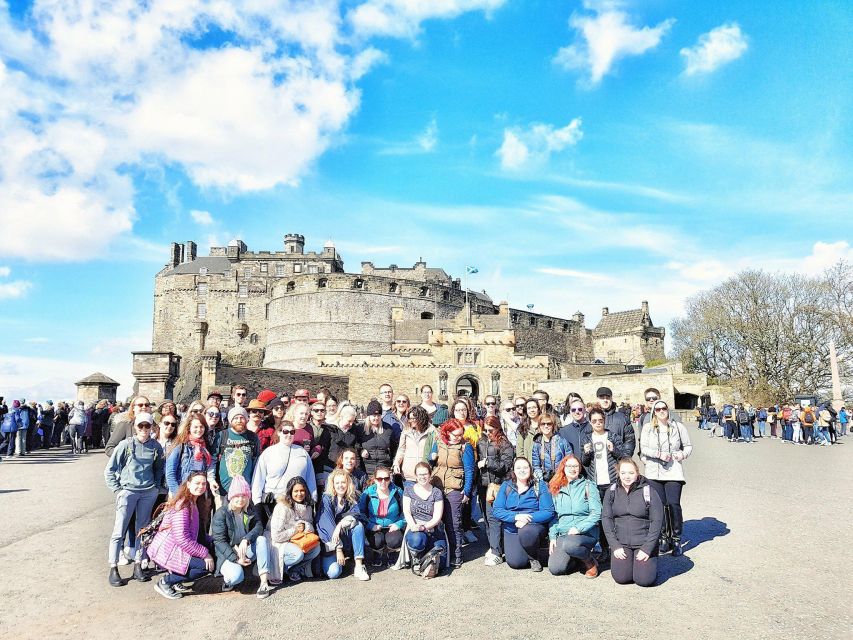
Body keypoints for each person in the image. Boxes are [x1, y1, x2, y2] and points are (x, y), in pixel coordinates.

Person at [104, 412, 165, 586]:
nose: (144, 429)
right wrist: (118, 490)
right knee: (119, 530)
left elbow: (159, 469)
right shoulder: (125, 444)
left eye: (148, 426)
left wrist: (155, 487)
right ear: (136, 427)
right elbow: (110, 469)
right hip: (128, 491)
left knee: (142, 530)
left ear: (152, 427)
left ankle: (138, 564)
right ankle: (113, 566)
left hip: (147, 492)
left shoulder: (155, 446)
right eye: (141, 426)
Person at [149, 471, 216, 599]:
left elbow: (198, 533)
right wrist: (204, 553)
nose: (201, 486)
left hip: (180, 547)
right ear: (189, 484)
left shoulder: (195, 502)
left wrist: (213, 541)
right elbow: (182, 539)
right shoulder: (183, 505)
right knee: (205, 567)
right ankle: (166, 582)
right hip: (171, 549)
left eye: (203, 484)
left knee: (212, 554)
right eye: (197, 483)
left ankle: (176, 580)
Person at [640, 400, 692, 556]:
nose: (661, 411)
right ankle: (663, 537)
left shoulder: (678, 427)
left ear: (668, 410)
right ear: (653, 412)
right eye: (658, 409)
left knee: (673, 504)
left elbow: (688, 446)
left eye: (664, 408)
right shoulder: (648, 428)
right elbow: (643, 448)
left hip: (673, 470)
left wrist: (681, 454)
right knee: (660, 505)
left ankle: (676, 538)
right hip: (654, 471)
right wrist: (658, 454)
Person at [601, 458, 664, 587]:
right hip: (622, 543)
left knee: (644, 580)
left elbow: (657, 521)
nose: (627, 476)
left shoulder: (649, 491)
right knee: (622, 578)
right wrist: (615, 546)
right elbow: (606, 519)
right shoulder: (611, 491)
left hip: (643, 543)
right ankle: (631, 564)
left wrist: (647, 549)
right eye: (623, 473)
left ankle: (651, 563)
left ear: (637, 473)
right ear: (618, 473)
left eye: (631, 473)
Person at [491, 457, 555, 572]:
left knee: (527, 531)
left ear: (530, 469)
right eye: (518, 468)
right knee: (516, 563)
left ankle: (534, 557)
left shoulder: (539, 485)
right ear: (514, 471)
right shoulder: (506, 486)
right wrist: (516, 517)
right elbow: (497, 510)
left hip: (533, 526)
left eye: (525, 467)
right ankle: (527, 551)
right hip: (512, 528)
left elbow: (548, 511)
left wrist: (527, 519)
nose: (522, 470)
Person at [212, 475, 271, 598]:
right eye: (237, 495)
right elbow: (219, 541)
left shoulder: (249, 510)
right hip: (229, 554)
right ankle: (228, 580)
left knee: (261, 539)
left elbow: (259, 527)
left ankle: (264, 582)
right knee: (235, 577)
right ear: (231, 497)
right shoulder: (222, 513)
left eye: (244, 495)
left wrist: (246, 539)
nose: (240, 499)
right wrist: (236, 558)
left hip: (245, 549)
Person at [429, 418, 475, 568]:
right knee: (436, 521)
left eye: (460, 434)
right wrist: (432, 456)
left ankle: (457, 555)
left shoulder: (465, 447)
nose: (459, 437)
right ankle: (439, 552)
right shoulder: (439, 442)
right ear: (447, 432)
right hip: (436, 486)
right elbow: (430, 461)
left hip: (455, 487)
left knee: (454, 523)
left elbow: (469, 470)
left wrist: (467, 491)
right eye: (456, 435)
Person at [547, 455, 602, 578]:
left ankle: (590, 562)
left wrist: (579, 528)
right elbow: (555, 516)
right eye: (569, 466)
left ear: (580, 468)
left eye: (576, 466)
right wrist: (552, 536)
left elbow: (597, 513)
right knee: (556, 568)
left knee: (571, 545)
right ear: (563, 468)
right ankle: (577, 559)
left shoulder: (588, 486)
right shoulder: (556, 488)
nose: (573, 469)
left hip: (586, 533)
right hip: (565, 532)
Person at [165, 413, 217, 537]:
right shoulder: (180, 446)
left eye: (201, 427)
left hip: (199, 492)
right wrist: (178, 495)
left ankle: (198, 552)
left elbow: (209, 467)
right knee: (180, 527)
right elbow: (170, 473)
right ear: (189, 428)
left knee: (199, 525)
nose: (199, 430)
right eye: (195, 427)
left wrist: (211, 480)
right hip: (182, 492)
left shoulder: (205, 447)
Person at [316, 469, 370, 581]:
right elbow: (326, 524)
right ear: (333, 484)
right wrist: (338, 549)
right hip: (331, 542)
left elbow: (356, 515)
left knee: (358, 525)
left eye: (343, 482)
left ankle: (359, 566)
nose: (340, 485)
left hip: (344, 536)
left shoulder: (351, 498)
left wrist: (339, 525)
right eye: (337, 483)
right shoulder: (327, 499)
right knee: (334, 573)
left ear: (348, 483)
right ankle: (341, 560)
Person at [266, 476, 321, 584]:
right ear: (290, 492)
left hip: (297, 540)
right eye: (296, 491)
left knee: (316, 548)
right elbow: (276, 536)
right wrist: (295, 530)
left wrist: (305, 526)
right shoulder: (282, 507)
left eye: (302, 491)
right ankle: (278, 569)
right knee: (298, 554)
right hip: (280, 543)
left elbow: (311, 526)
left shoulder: (308, 507)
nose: (299, 494)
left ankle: (293, 570)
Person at [251, 420, 317, 508]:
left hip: (297, 501)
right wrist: (257, 502)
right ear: (279, 433)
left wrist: (313, 498)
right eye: (285, 431)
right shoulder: (268, 452)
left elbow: (310, 478)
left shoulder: (302, 452)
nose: (289, 435)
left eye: (292, 432)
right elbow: (258, 479)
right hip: (273, 501)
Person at [476, 415, 514, 566]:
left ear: (498, 427)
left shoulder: (505, 443)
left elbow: (505, 465)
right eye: (485, 430)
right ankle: (494, 546)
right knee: (486, 518)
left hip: (497, 484)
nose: (488, 432)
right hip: (483, 484)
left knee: (494, 518)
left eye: (491, 430)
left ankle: (497, 551)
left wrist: (487, 462)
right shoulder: (482, 440)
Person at [401, 461, 447, 577]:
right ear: (415, 476)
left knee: (441, 557)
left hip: (433, 527)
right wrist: (414, 526)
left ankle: (429, 564)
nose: (423, 477)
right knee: (417, 540)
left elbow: (437, 516)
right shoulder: (409, 490)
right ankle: (416, 560)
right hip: (415, 527)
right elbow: (406, 511)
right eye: (420, 474)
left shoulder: (436, 492)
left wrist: (425, 527)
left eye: (425, 474)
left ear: (430, 474)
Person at [359, 466, 405, 566]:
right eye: (380, 479)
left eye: (386, 478)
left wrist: (399, 524)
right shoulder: (367, 494)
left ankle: (391, 552)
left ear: (390, 479)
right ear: (375, 480)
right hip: (375, 526)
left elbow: (406, 512)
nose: (383, 481)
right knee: (376, 541)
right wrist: (370, 525)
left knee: (395, 540)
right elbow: (361, 513)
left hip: (393, 526)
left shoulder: (398, 492)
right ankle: (377, 553)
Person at [211, 407, 261, 498]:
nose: (239, 420)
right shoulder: (222, 435)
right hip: (224, 489)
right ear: (230, 420)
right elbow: (213, 459)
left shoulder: (253, 437)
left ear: (246, 419)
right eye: (235, 418)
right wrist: (211, 479)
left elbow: (256, 462)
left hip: (245, 489)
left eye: (242, 418)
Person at [393, 405, 436, 486]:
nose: (411, 421)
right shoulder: (406, 431)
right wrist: (396, 463)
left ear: (421, 418)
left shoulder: (432, 432)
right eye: (410, 418)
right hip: (408, 475)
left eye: (414, 418)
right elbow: (401, 449)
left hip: (425, 474)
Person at [595, 387, 636, 457]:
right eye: (602, 397)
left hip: (617, 461)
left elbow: (629, 441)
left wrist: (625, 458)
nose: (605, 400)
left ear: (611, 399)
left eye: (608, 397)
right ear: (597, 399)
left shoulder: (622, 418)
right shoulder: (590, 418)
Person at [531, 412, 570, 483]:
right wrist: (541, 478)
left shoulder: (562, 441)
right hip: (544, 481)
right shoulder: (537, 444)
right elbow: (536, 465)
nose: (546, 426)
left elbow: (569, 460)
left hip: (561, 479)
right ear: (539, 426)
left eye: (549, 423)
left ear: (553, 425)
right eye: (543, 424)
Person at [360, 400, 395, 476]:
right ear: (368, 416)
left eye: (379, 415)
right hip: (367, 471)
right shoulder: (361, 428)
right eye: (374, 415)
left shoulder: (388, 429)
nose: (376, 418)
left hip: (384, 470)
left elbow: (394, 448)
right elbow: (356, 445)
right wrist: (361, 451)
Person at [327, 406, 361, 471]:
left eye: (353, 421)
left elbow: (356, 450)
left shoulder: (355, 430)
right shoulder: (330, 429)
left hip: (347, 467)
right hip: (330, 466)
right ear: (341, 417)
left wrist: (357, 468)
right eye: (349, 421)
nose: (351, 424)